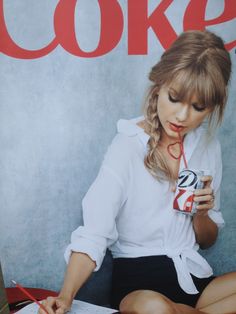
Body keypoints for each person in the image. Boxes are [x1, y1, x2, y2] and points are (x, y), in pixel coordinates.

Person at [39, 30, 235, 314]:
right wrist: (66, 297)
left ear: (212, 108)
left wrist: (202, 214)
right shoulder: (127, 146)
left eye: (197, 107)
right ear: (159, 85)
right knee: (156, 309)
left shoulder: (208, 147)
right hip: (139, 288)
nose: (182, 116)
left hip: (195, 279)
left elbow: (206, 241)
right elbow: (94, 233)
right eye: (175, 98)